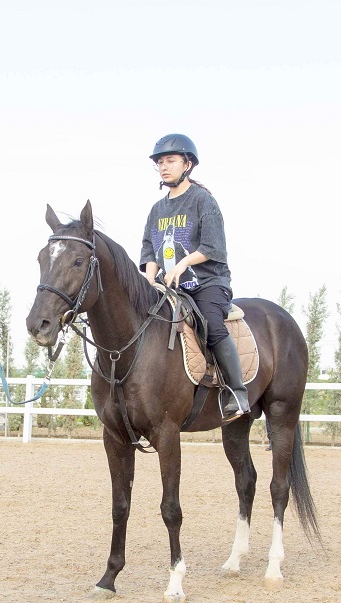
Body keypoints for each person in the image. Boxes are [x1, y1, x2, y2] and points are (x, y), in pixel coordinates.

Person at [140, 133, 250, 419]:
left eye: (171, 160)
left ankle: (236, 393)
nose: (164, 166)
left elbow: (213, 247)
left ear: (187, 164)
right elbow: (149, 252)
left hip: (207, 283)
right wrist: (150, 281)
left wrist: (181, 265)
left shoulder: (203, 201)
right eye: (160, 162)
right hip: (172, 287)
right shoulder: (157, 209)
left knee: (212, 324)